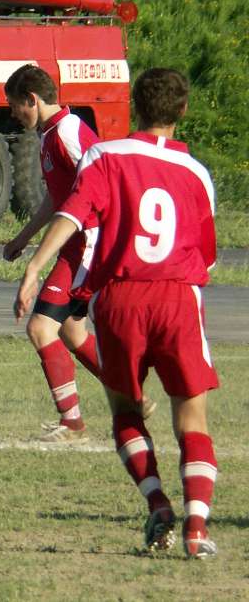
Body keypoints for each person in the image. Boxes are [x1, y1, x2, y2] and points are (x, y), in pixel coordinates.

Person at [15, 68, 219, 558]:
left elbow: (72, 214)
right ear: (183, 111)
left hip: (122, 297)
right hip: (177, 296)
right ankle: (197, 529)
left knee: (127, 412)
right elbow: (207, 254)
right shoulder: (197, 173)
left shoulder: (106, 156)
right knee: (192, 420)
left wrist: (34, 268)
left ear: (135, 106)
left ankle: (157, 503)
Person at [0, 64, 116, 442]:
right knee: (71, 331)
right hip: (76, 242)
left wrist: (36, 266)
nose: (14, 114)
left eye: (16, 106)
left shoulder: (67, 132)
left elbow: (100, 184)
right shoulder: (51, 134)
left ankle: (72, 423)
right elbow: (58, 195)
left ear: (32, 99)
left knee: (40, 328)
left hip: (86, 243)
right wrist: (23, 237)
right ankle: (131, 394)